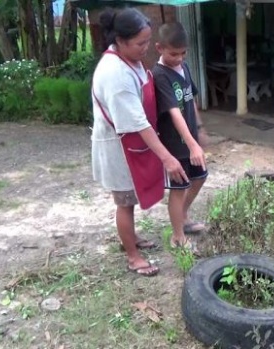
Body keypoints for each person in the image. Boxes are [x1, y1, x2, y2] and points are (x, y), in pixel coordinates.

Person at [91, 8, 188, 276]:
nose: (146, 49)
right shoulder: (115, 74)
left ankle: (131, 238)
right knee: (124, 201)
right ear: (120, 41)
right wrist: (167, 157)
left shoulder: (129, 59)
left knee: (132, 197)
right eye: (140, 43)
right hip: (119, 146)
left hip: (135, 142)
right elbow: (136, 122)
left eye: (147, 42)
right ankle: (133, 256)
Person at [153, 22, 209, 253]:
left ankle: (183, 217)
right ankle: (177, 236)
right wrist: (192, 144)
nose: (179, 58)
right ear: (159, 48)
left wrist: (200, 127)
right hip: (175, 144)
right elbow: (174, 113)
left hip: (191, 139)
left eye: (183, 53)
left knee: (200, 177)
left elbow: (190, 100)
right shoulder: (159, 75)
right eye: (173, 53)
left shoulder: (183, 68)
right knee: (179, 189)